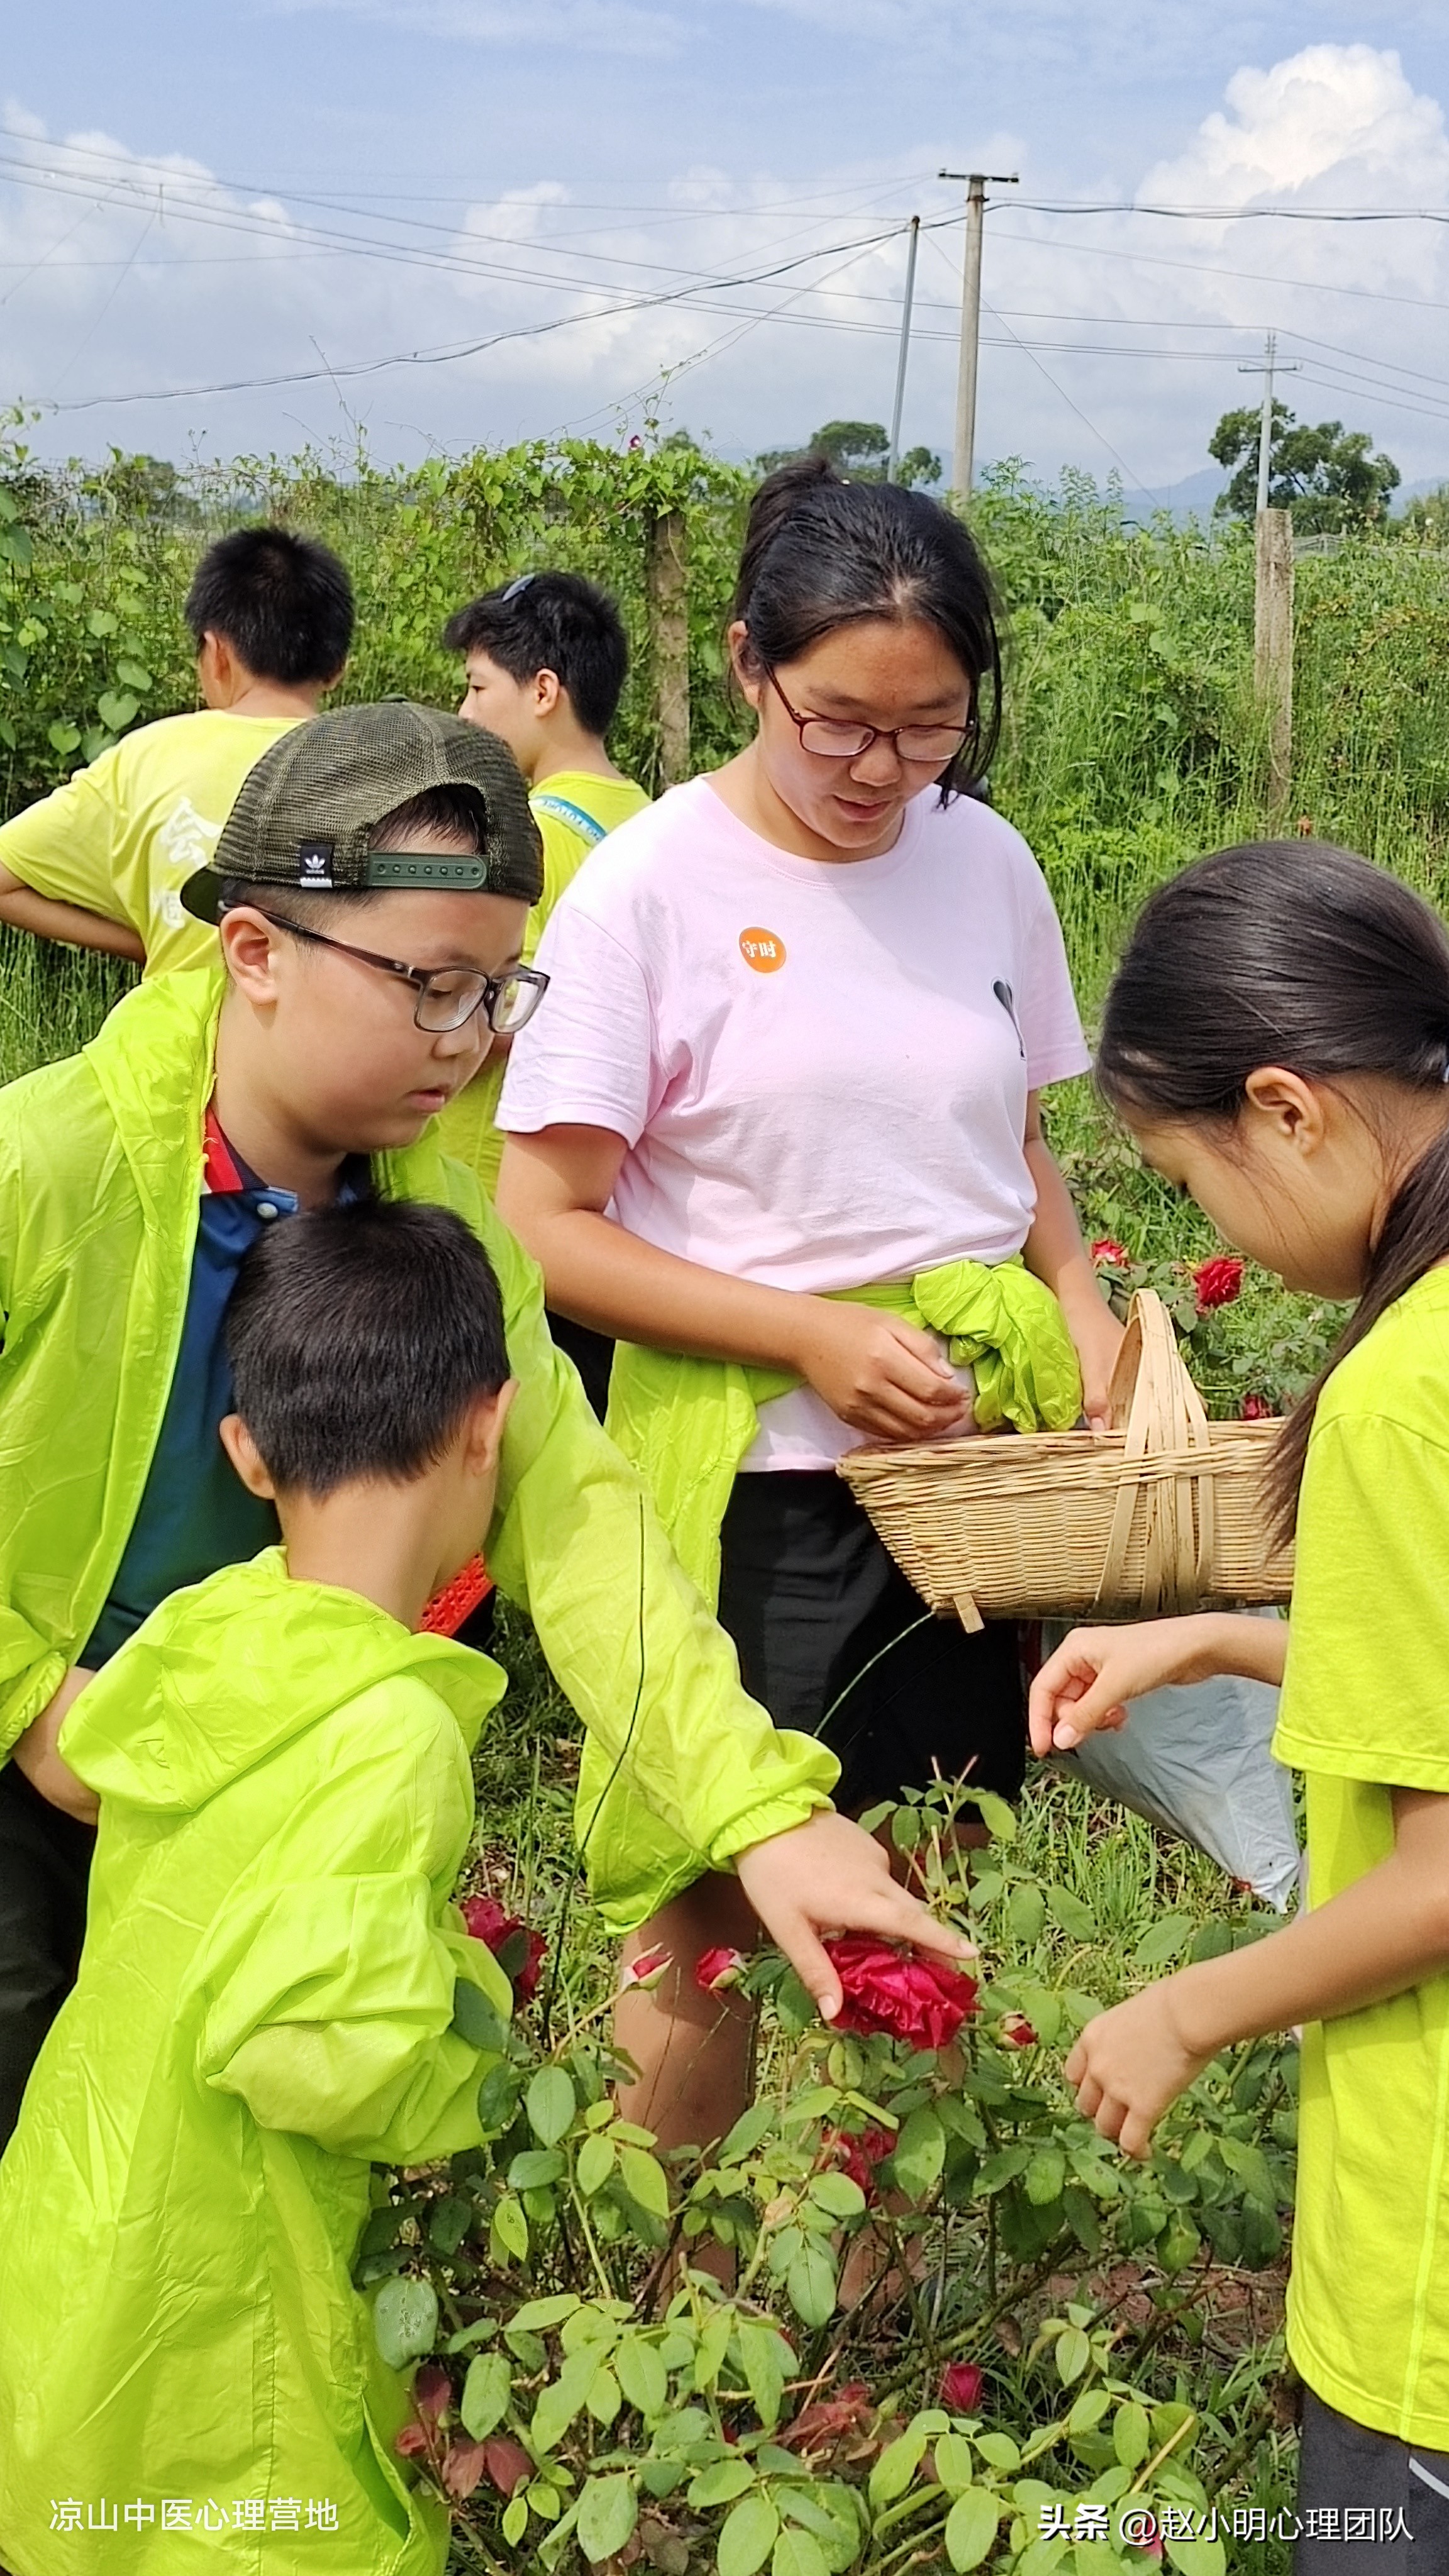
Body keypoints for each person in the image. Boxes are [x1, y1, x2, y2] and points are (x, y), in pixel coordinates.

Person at [0, 696, 966, 2153]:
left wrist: (762, 1811)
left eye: (503, 994)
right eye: (433, 987)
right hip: (41, 1767)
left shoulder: (450, 1236)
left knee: (217, 2185)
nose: (471, 1044)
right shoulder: (44, 1171)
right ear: (254, 951)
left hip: (273, 1769)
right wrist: (32, 1699)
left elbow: (582, 1528)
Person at [495, 460, 1121, 2159]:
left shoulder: (984, 860)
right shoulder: (649, 890)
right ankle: (668, 2256)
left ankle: (879, 2269)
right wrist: (806, 1335)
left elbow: (1015, 1142)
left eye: (928, 731)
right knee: (712, 1894)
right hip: (759, 1485)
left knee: (934, 1861)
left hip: (966, 1481)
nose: (879, 772)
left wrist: (1079, 1300)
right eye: (838, 723)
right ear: (749, 666)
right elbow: (542, 1229)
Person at [1028, 839, 1449, 2562]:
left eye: (1189, 1181)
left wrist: (1185, 2012)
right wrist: (1224, 1639)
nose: (1214, 1230)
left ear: (1286, 1108)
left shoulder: (1404, 1392)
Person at [0, 1198, 526, 2574]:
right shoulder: (392, 1726)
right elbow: (320, 2052)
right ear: (489, 1425)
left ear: (244, 1449)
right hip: (225, 2309)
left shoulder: (198, 1636)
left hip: (70, 2239)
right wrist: (478, 2040)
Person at [445, 571, 649, 1421]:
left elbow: (500, 1015)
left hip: (494, 1207)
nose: (463, 712)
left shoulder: (524, 834)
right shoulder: (649, 819)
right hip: (613, 1216)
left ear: (543, 691)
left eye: (476, 687)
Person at [0, 525, 352, 970]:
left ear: (216, 653)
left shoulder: (146, 757)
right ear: (337, 668)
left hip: (180, 1015)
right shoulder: (381, 762)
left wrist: (149, 943)